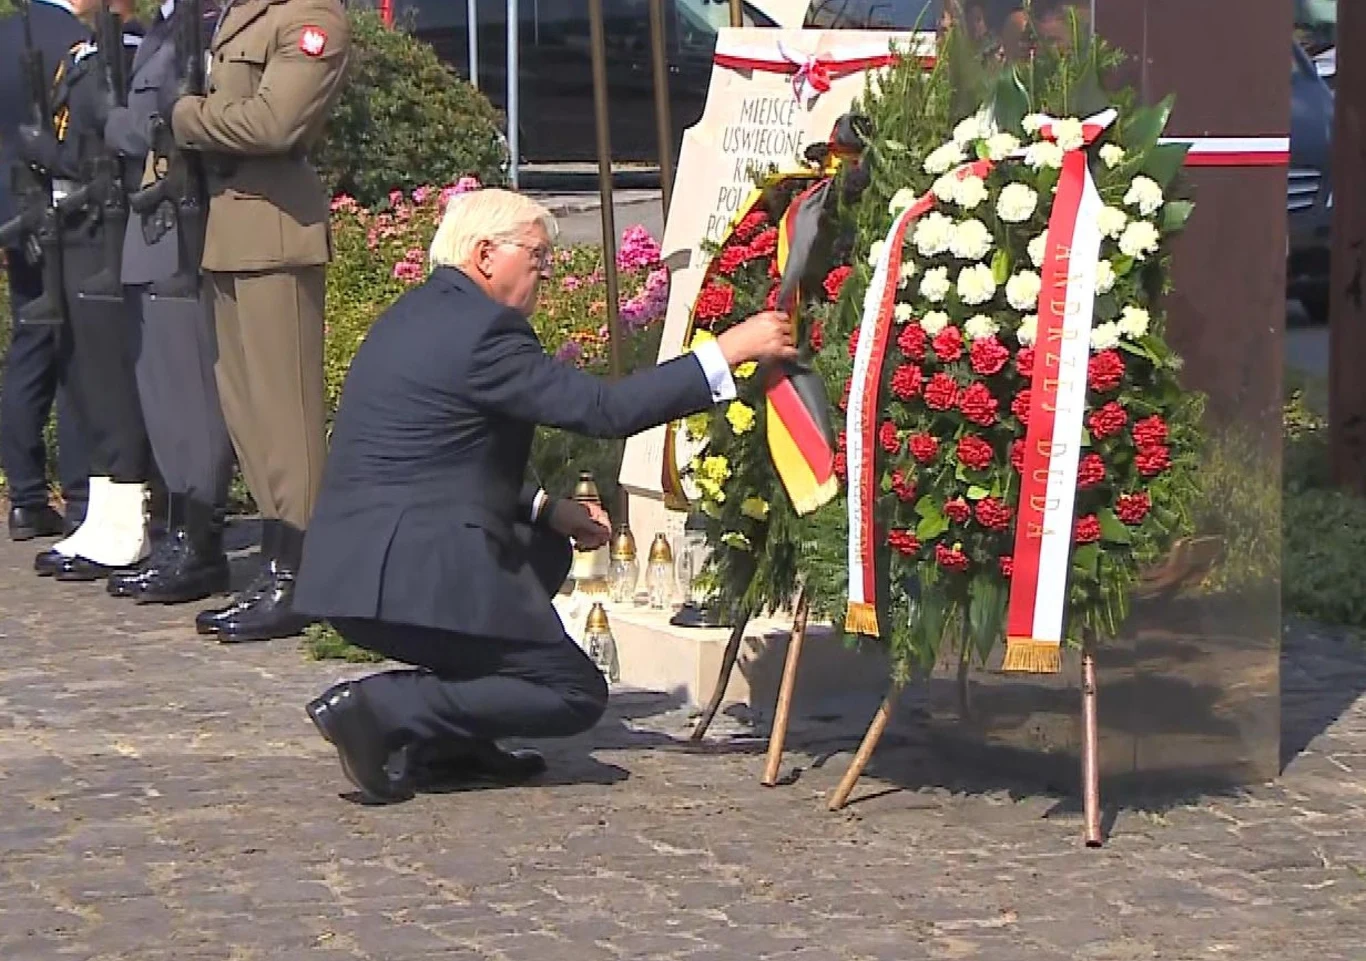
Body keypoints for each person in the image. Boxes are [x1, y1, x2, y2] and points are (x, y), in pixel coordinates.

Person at [292, 189, 799, 804]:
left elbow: (444, 457)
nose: (546, 272)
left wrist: (544, 508)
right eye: (536, 256)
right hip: (407, 570)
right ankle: (382, 709)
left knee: (539, 545)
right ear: (485, 254)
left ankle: (453, 746)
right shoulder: (484, 331)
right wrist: (729, 351)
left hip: (358, 567)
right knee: (571, 693)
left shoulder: (420, 314)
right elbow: (604, 410)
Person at [165, 0, 350, 642]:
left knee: (286, 420)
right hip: (231, 230)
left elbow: (275, 123)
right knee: (247, 414)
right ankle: (276, 565)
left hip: (276, 230)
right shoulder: (241, 16)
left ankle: (302, 575)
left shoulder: (312, 19)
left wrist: (186, 115)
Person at [101, 0, 237, 606]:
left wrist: (115, 125)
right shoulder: (160, 26)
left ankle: (200, 541)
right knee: (161, 389)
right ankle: (179, 531)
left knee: (191, 393)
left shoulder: (205, 24)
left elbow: (173, 122)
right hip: (151, 225)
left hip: (182, 228)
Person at [21, 0, 154, 581]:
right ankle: (103, 513)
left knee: (109, 379)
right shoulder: (85, 55)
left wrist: (48, 153)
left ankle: (128, 518)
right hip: (76, 232)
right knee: (84, 381)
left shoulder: (129, 51)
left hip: (108, 231)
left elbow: (105, 149)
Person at [0, 0, 91, 542]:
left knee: (31, 345)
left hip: (13, 212)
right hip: (70, 206)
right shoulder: (78, 39)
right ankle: (82, 492)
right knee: (80, 350)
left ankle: (26, 494)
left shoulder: (8, 34)